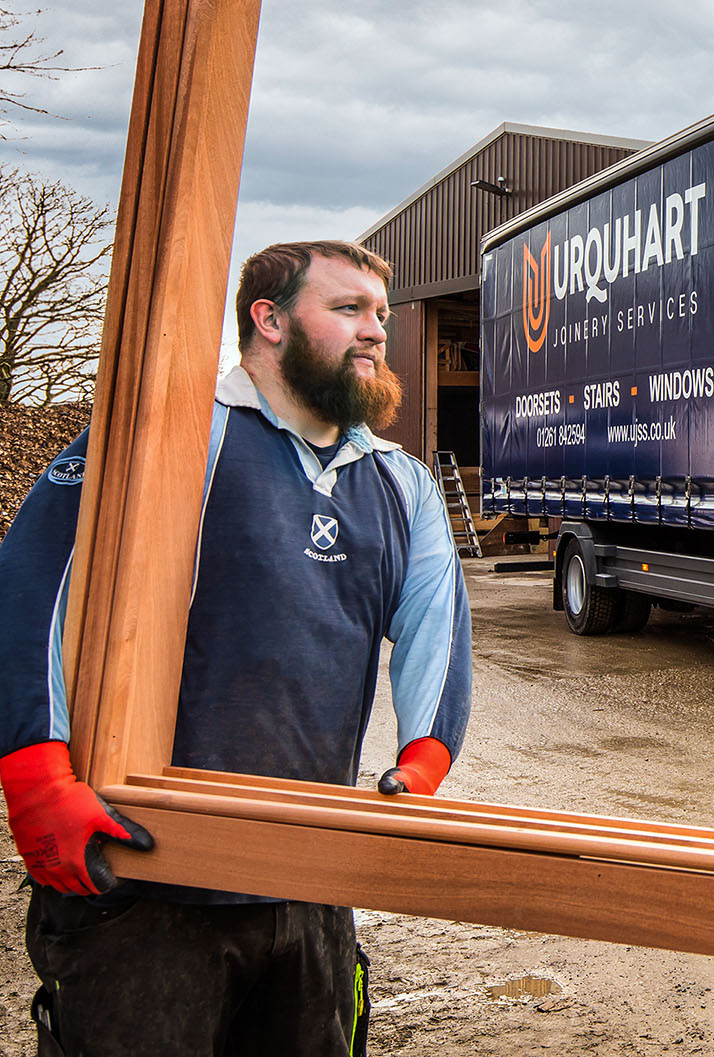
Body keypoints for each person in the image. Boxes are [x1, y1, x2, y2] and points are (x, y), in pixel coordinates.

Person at [0, 240, 474, 1057]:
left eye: (383, 315)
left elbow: (439, 624)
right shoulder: (171, 437)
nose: (376, 332)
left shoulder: (400, 482)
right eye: (349, 308)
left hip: (309, 880)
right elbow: (37, 580)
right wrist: (35, 774)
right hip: (146, 882)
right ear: (270, 319)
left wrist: (424, 758)